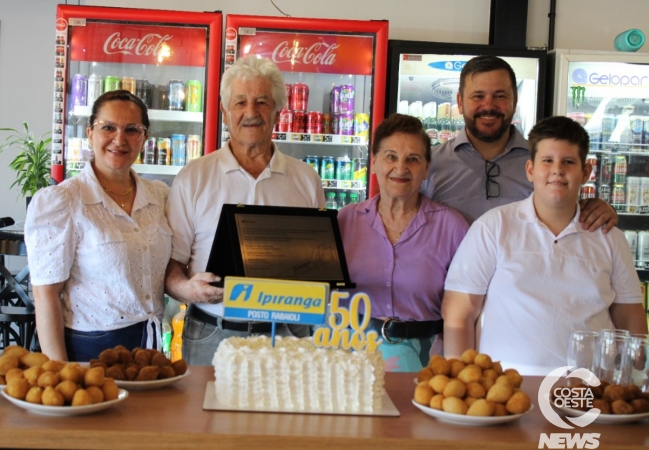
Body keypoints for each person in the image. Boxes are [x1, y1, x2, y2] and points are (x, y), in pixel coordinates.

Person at [441, 116, 648, 375]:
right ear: (530, 169)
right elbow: (459, 314)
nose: (557, 170)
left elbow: (631, 321)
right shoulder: (493, 227)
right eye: (547, 160)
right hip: (505, 392)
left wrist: (636, 384)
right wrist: (463, 383)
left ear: (586, 173)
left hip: (587, 391)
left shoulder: (610, 238)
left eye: (569, 162)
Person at [164, 56, 325, 366]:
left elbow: (315, 266)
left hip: (289, 337)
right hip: (212, 334)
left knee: (285, 416)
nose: (251, 113)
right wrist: (188, 289)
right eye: (240, 103)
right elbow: (171, 268)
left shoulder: (306, 180)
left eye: (262, 102)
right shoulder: (193, 177)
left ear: (278, 111)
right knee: (206, 416)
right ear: (225, 113)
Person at [25, 90, 172, 362]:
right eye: (108, 127)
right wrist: (59, 372)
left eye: (132, 129)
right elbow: (46, 295)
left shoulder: (159, 196)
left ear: (145, 139)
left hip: (150, 345)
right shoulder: (63, 201)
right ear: (90, 133)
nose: (120, 139)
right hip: (91, 346)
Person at [337, 114, 469, 372]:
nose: (401, 168)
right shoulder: (345, 220)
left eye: (413, 159)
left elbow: (464, 312)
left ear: (427, 168)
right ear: (373, 163)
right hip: (349, 359)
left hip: (428, 362)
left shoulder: (452, 227)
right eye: (391, 157)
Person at [423, 55, 617, 229]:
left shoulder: (542, 163)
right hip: (451, 270)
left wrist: (598, 209)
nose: (489, 106)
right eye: (478, 96)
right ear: (460, 101)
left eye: (500, 96)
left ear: (515, 101)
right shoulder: (429, 164)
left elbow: (568, 215)